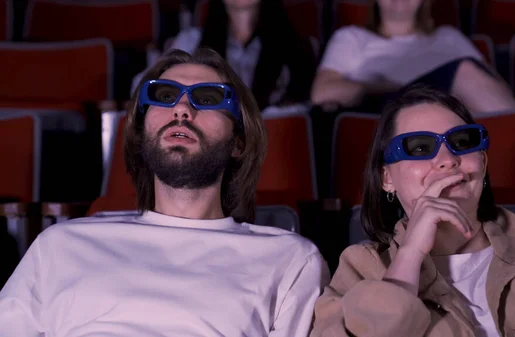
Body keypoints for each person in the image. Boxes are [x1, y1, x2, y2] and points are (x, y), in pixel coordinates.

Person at [0, 48, 329, 337]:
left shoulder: (289, 260)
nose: (182, 109)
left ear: (239, 142)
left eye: (209, 98)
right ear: (142, 133)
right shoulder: (60, 244)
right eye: (163, 94)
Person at [310, 85, 515, 337]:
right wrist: (410, 254)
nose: (447, 160)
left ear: (482, 164)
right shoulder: (360, 270)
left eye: (462, 142)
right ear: (387, 178)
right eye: (420, 148)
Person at [311, 0, 515, 114]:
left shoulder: (449, 36)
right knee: (464, 72)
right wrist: (386, 86)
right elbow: (322, 93)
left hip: (452, 115)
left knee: (467, 79)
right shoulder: (352, 37)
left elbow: (495, 88)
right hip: (390, 113)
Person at [132, 0, 317, 110]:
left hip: (276, 145)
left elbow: (306, 106)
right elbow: (142, 87)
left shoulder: (298, 46)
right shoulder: (191, 42)